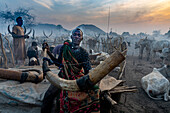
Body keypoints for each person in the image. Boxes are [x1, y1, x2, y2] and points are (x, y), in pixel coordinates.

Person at [41, 28, 100, 113]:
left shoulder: (84, 53)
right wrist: (49, 54)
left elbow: (87, 71)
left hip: (77, 79)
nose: (76, 37)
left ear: (82, 38)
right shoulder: (65, 48)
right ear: (71, 37)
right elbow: (59, 62)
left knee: (93, 92)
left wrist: (85, 83)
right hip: (62, 76)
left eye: (79, 35)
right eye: (75, 35)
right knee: (48, 95)